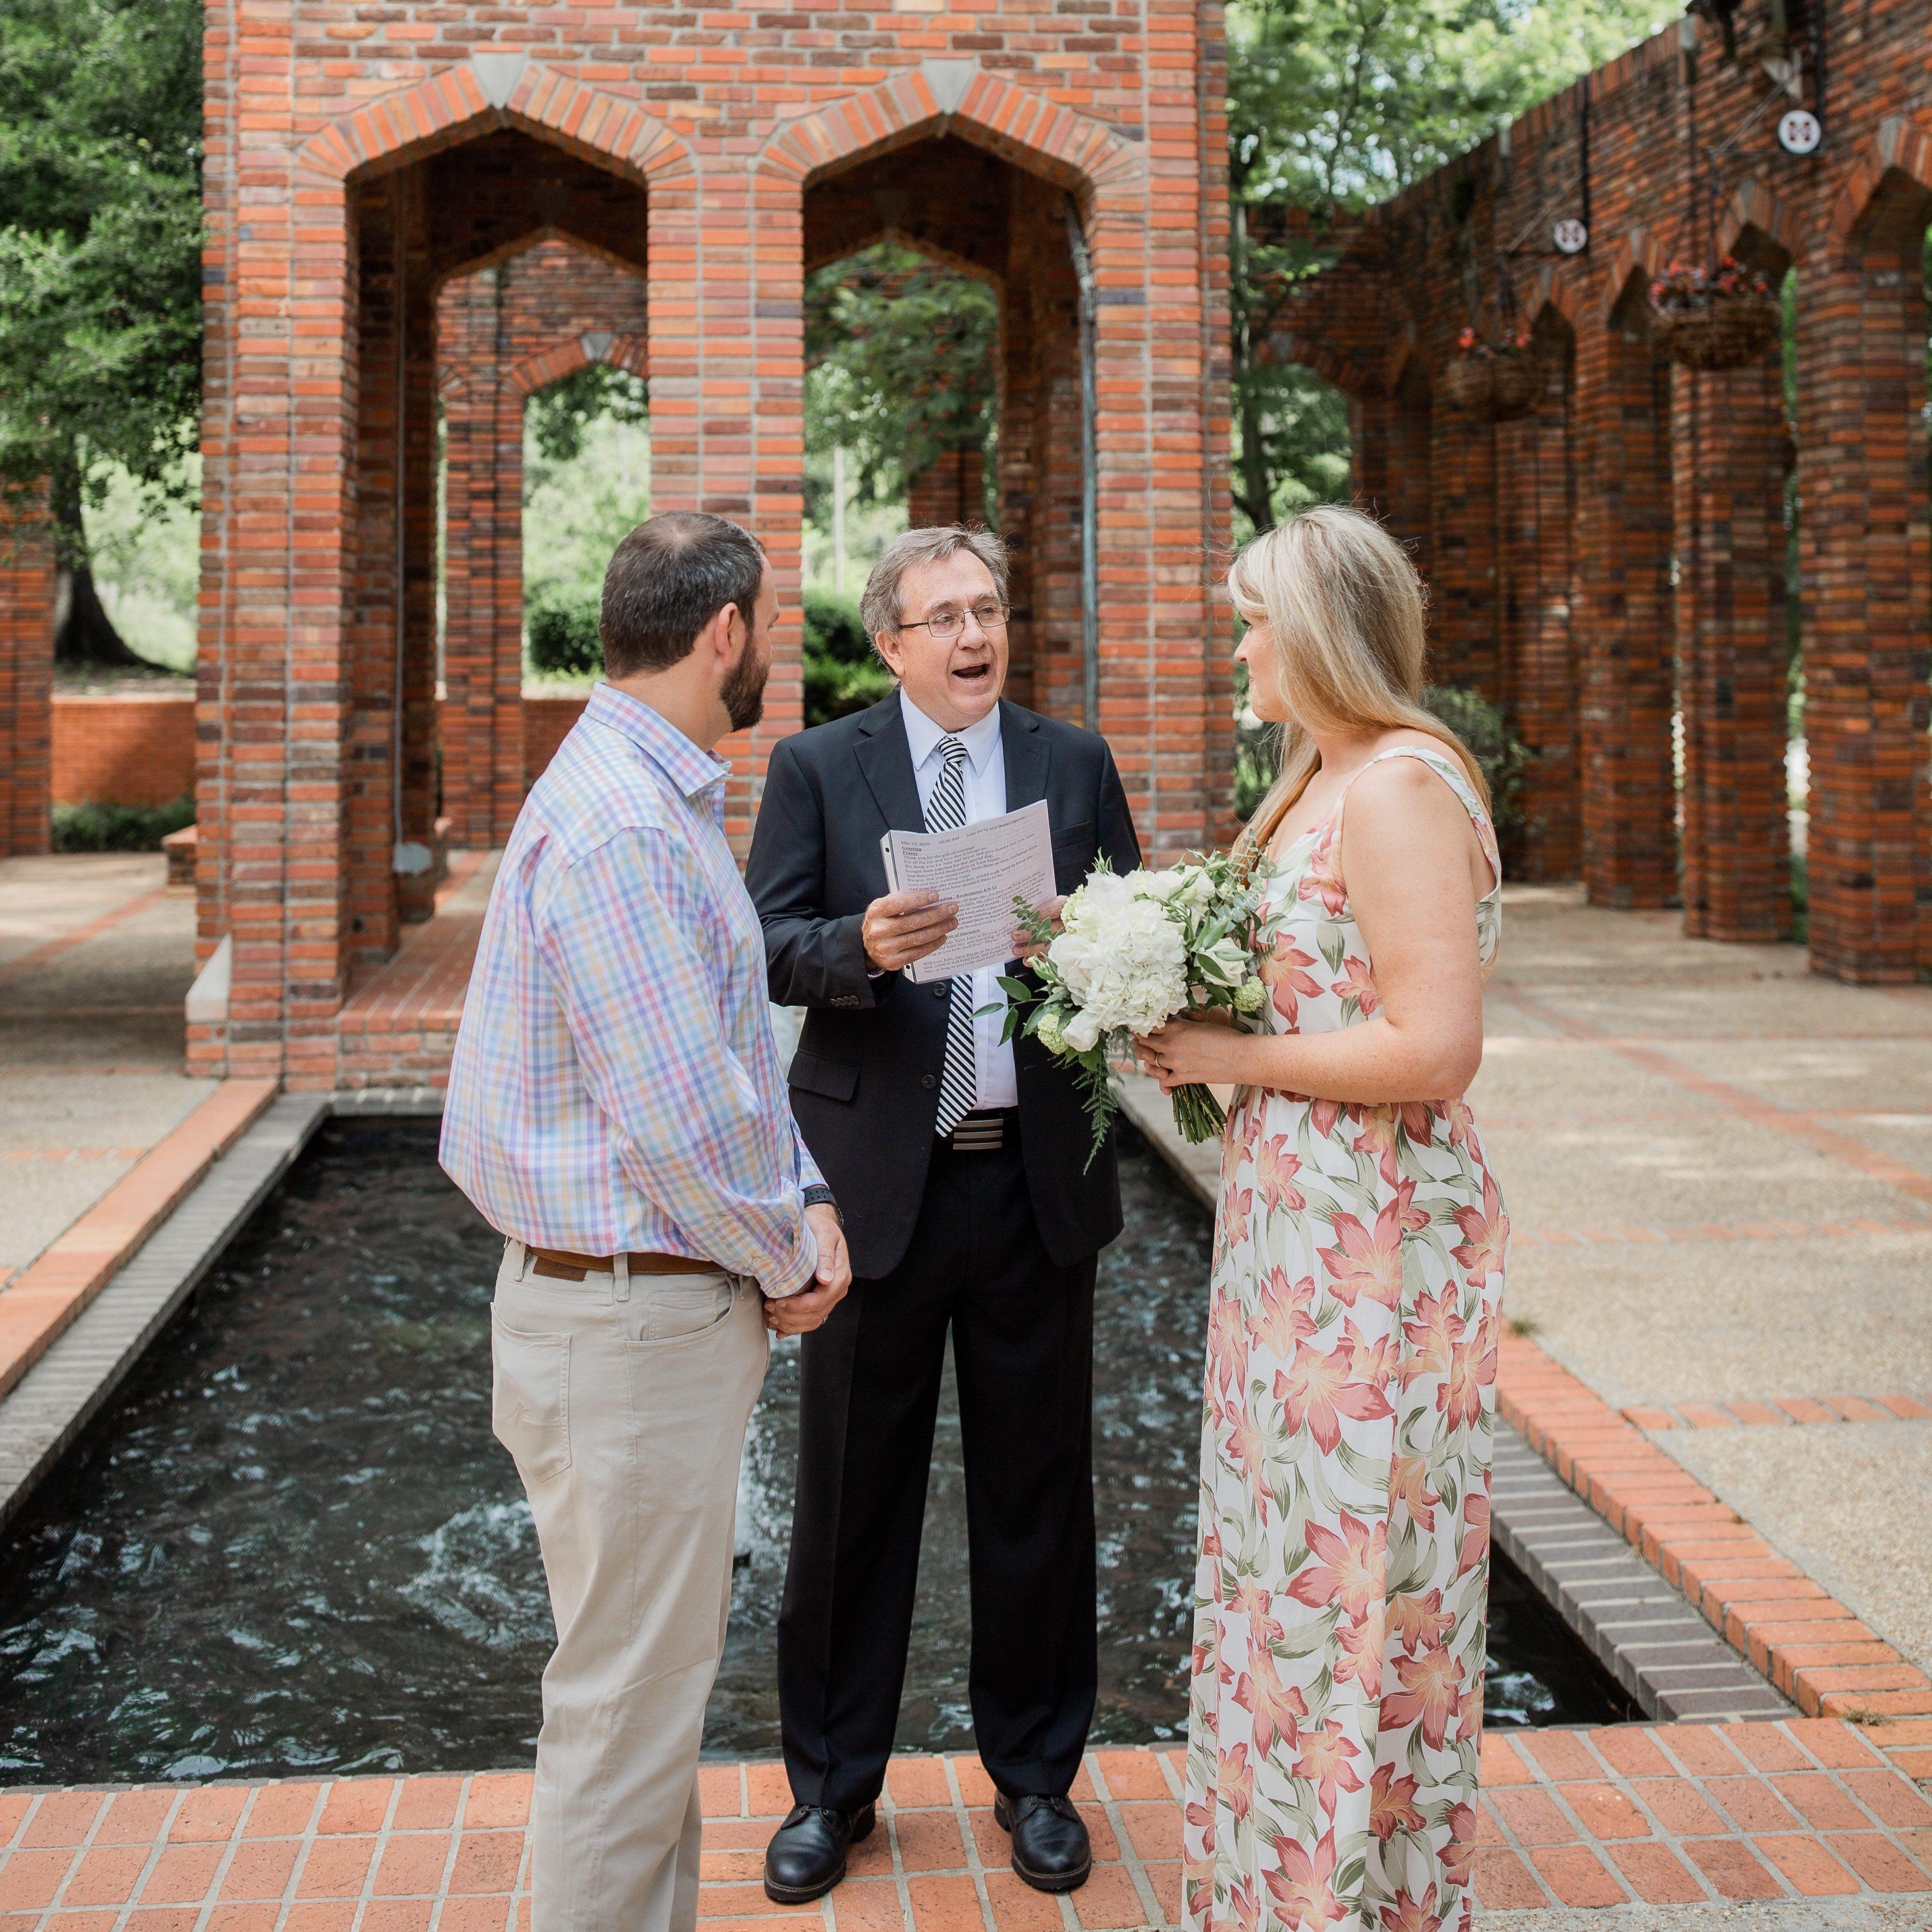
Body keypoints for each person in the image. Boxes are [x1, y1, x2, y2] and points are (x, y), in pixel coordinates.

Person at [440, 511, 852, 1932]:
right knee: (624, 1718)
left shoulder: (643, 785)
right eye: (770, 632)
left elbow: (725, 1068)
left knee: (645, 1698)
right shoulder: (626, 821)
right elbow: (676, 1120)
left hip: (629, 1305)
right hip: (627, 1320)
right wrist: (790, 1251)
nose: (772, 660)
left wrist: (795, 1195)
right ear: (723, 632)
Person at [745, 525, 1140, 1903]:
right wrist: (858, 947)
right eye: (947, 617)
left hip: (1034, 1186)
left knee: (1036, 1501)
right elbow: (763, 945)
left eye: (993, 609)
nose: (977, 636)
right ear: (891, 643)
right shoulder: (818, 767)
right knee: (851, 1505)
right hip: (874, 1193)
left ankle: (1036, 1781)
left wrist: (1094, 955)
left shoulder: (1073, 764)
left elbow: (1128, 930)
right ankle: (831, 1794)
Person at [1135, 507, 1507, 1932]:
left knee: (1359, 1597)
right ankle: (1269, 1889)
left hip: (1378, 1255)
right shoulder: (1310, 778)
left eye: (1252, 620)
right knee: (1278, 1581)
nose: (1238, 644)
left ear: (1319, 638)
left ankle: (1354, 1904)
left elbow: (1431, 1050)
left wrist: (1229, 1061)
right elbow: (1311, 994)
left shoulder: (1401, 784)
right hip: (1293, 1244)